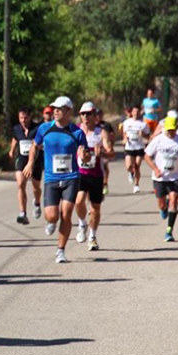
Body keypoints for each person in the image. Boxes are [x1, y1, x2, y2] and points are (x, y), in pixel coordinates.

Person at [23, 96, 90, 264]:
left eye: (59, 108)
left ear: (68, 111)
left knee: (66, 214)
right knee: (52, 216)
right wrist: (31, 162)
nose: (56, 111)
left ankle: (60, 250)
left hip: (71, 177)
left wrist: (85, 156)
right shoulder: (44, 128)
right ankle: (50, 222)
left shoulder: (77, 132)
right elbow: (34, 145)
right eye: (54, 108)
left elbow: (87, 157)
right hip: (51, 178)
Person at [143, 116, 178, 242]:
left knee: (174, 203)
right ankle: (164, 208)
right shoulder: (158, 140)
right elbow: (147, 156)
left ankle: (169, 231)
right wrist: (155, 169)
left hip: (175, 177)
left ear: (176, 128)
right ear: (164, 128)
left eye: (172, 130)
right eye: (168, 130)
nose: (170, 132)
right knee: (162, 205)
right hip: (160, 178)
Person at [75, 103, 114, 251]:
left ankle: (92, 236)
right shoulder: (76, 131)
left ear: (94, 115)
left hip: (96, 175)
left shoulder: (100, 132)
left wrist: (102, 154)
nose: (85, 117)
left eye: (88, 114)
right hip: (80, 174)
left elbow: (112, 153)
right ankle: (82, 224)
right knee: (78, 202)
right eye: (83, 114)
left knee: (95, 208)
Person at [8, 107, 42, 224]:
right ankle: (23, 213)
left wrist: (39, 146)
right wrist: (12, 149)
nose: (23, 120)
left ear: (30, 117)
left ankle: (37, 202)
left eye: (25, 117)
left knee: (35, 187)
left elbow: (42, 141)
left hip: (36, 160)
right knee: (20, 184)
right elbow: (15, 138)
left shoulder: (37, 128)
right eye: (21, 118)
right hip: (21, 159)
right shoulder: (16, 129)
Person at [122, 105, 150, 194]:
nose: (136, 113)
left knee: (137, 166)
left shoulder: (143, 124)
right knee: (129, 166)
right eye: (134, 111)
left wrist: (143, 135)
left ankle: (136, 185)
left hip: (139, 147)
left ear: (140, 112)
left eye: (138, 111)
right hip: (129, 147)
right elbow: (124, 134)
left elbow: (148, 136)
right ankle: (131, 173)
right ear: (131, 112)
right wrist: (125, 138)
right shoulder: (126, 122)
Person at [96, 107, 115, 196]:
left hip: (104, 148)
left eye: (99, 114)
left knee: (104, 166)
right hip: (95, 149)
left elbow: (112, 135)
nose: (98, 116)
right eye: (96, 114)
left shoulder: (106, 125)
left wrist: (110, 144)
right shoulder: (91, 125)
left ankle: (105, 183)